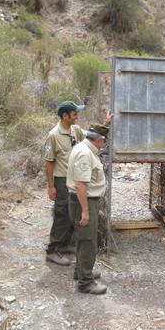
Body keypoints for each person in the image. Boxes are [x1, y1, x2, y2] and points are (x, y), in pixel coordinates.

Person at [44, 101, 111, 266]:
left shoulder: (75, 130)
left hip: (73, 180)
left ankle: (66, 244)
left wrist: (105, 124)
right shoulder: (53, 135)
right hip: (61, 180)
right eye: (74, 114)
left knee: (71, 214)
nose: (77, 116)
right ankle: (52, 250)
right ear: (64, 116)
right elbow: (48, 162)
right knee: (61, 215)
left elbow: (91, 136)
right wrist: (51, 186)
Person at [67, 124, 109, 294]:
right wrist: (85, 210)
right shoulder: (85, 153)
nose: (104, 144)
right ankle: (85, 282)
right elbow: (80, 184)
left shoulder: (84, 147)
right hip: (84, 201)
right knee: (88, 240)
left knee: (82, 237)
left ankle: (81, 271)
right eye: (103, 142)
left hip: (83, 201)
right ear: (99, 140)